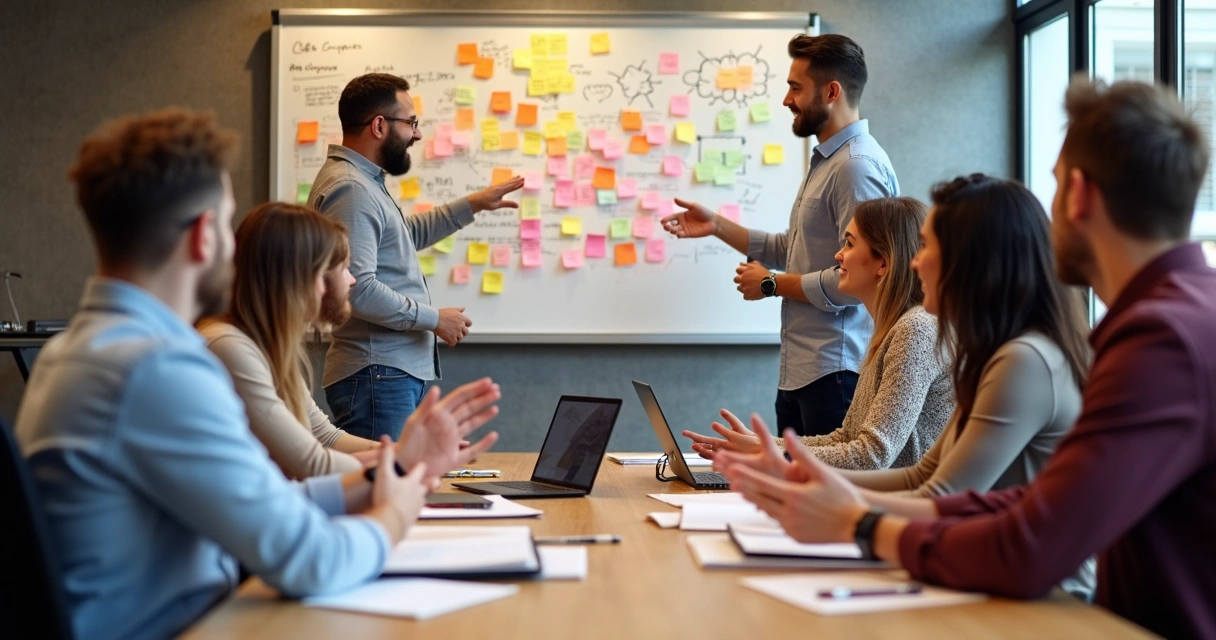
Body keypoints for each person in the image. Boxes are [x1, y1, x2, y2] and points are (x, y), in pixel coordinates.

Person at [716, 79, 1216, 638]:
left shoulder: (1160, 341)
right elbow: (998, 503)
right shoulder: (1173, 319)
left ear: (1078, 195)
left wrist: (859, 522)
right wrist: (814, 486)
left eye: (1052, 188)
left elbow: (1029, 544)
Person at [14, 108, 502, 640]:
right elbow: (312, 561)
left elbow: (269, 501)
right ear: (204, 236)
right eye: (226, 223)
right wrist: (398, 508)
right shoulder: (158, 370)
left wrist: (391, 471)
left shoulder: (79, 351)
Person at [661, 34, 899, 437]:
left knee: (825, 496)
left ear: (831, 92)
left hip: (837, 371)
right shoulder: (827, 161)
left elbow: (858, 280)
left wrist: (772, 284)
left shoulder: (856, 167)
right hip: (801, 371)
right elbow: (792, 249)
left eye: (795, 88)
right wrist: (717, 226)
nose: (786, 100)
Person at [199, 202, 498, 479]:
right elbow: (312, 463)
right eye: (342, 267)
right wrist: (406, 459)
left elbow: (324, 436)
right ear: (305, 277)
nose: (353, 280)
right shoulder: (230, 348)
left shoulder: (266, 348)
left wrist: (411, 451)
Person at [309, 73, 525, 441]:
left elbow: (403, 238)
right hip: (377, 373)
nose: (417, 134)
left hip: (383, 374)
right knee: (385, 489)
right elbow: (356, 289)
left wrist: (472, 205)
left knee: (398, 483)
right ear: (379, 125)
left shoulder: (361, 183)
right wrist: (433, 319)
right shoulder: (351, 189)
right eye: (411, 123)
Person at [685, 197, 953, 470]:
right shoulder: (892, 330)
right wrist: (765, 445)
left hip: (902, 508)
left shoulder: (916, 330)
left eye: (849, 243)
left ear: (882, 263)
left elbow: (872, 456)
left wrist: (770, 453)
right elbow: (846, 438)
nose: (838, 255)